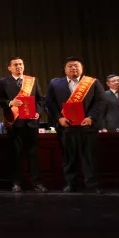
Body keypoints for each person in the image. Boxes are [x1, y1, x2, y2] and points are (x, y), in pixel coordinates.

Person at [45, 56, 106, 193]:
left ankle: (92, 185)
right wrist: (59, 118)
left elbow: (101, 102)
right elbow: (49, 104)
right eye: (70, 66)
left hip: (87, 126)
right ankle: (70, 184)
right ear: (65, 69)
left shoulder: (92, 82)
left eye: (76, 65)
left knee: (89, 157)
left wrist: (91, 118)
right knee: (69, 157)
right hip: (66, 127)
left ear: (82, 68)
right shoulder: (55, 84)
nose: (73, 68)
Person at [0, 56, 48, 193]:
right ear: (9, 68)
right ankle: (16, 183)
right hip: (14, 123)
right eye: (15, 65)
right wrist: (10, 103)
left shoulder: (32, 80)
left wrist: (38, 112)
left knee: (33, 155)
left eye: (20, 64)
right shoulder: (4, 82)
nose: (18, 66)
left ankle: (37, 183)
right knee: (15, 154)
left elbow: (41, 99)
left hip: (31, 123)